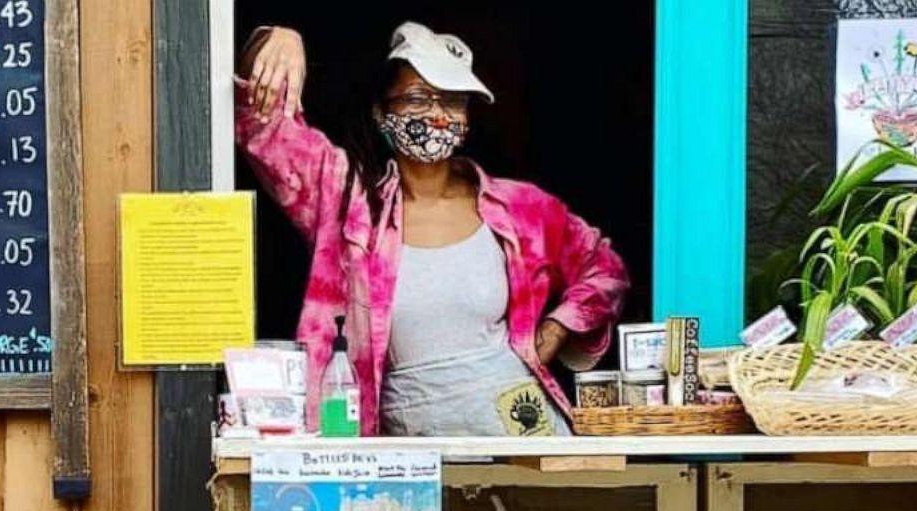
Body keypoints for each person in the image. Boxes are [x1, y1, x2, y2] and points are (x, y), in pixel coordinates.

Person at [237, 22, 629, 436]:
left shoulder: (519, 207)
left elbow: (606, 268)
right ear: (380, 111)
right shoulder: (347, 199)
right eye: (417, 98)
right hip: (411, 453)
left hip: (522, 435)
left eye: (452, 101)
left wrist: (556, 328)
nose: (436, 115)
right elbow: (265, 128)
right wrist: (278, 40)